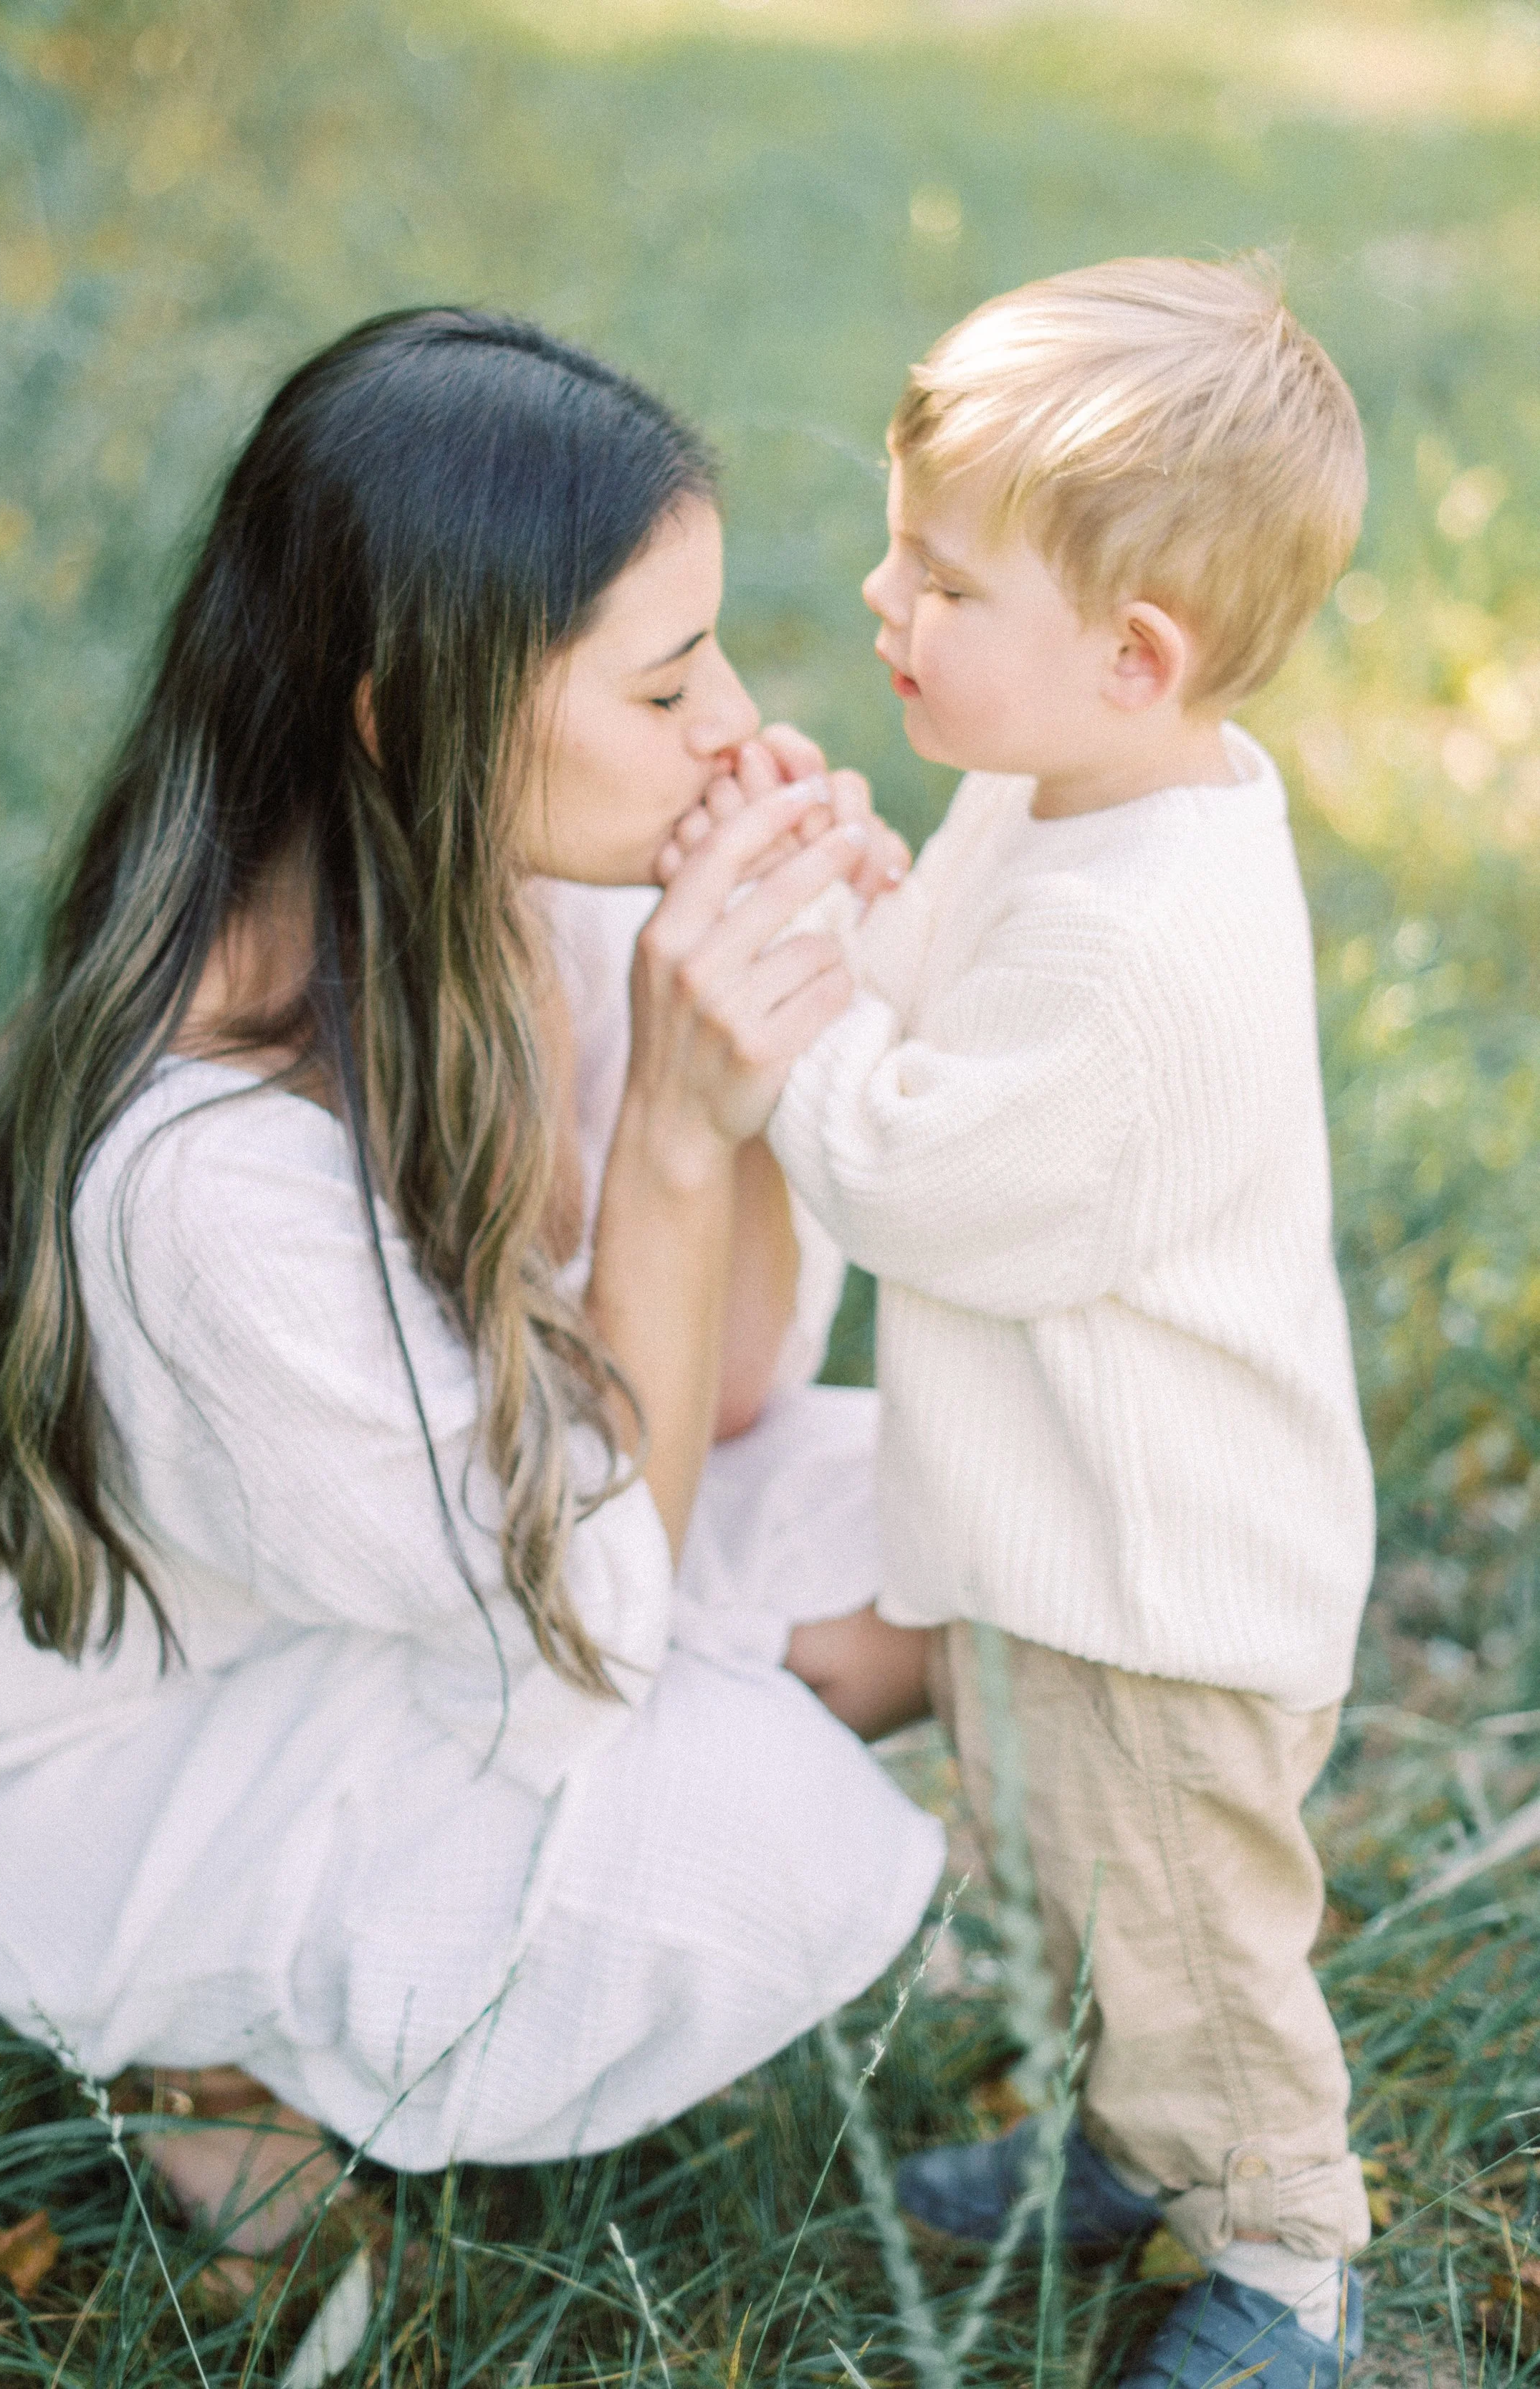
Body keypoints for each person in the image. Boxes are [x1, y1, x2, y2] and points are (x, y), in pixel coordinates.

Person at [0, 310, 945, 2286]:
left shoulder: (500, 882)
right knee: (748, 1812)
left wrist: (761, 1047)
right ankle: (193, 2026)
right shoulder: (200, 1184)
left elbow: (738, 1384)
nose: (727, 723)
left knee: (971, 1529)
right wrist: (671, 1136)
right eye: (665, 680)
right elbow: (584, 1640)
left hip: (479, 1567)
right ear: (399, 714)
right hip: (138, 1756)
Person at [737, 259, 1376, 2388]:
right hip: (1062, 1539)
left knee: (1195, 1944)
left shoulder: (1144, 947)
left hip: (1160, 1583)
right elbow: (925, 979)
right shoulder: (1059, 785)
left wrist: (771, 1018)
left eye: (936, 578)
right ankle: (1128, 2146)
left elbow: (919, 1171)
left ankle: (1280, 2250)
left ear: (1131, 654)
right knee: (1084, 1892)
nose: (880, 594)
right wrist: (833, 906)